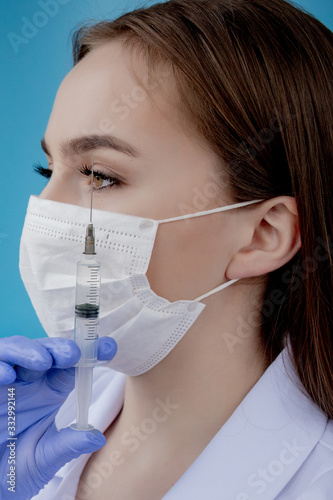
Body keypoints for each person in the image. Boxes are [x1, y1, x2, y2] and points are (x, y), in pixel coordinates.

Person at [1, 0, 332, 498]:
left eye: (100, 176)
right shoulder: (31, 436)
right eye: (49, 172)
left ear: (265, 232)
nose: (46, 212)